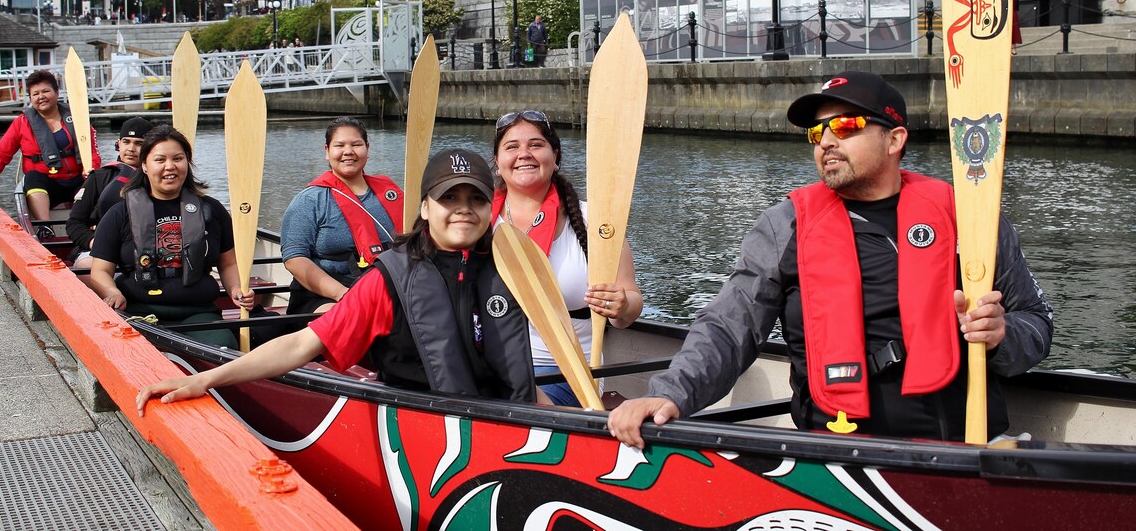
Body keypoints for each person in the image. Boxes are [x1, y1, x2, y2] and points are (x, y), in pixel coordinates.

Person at [608, 71, 1053, 446]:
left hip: (962, 445)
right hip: (837, 454)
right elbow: (729, 326)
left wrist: (1001, 335)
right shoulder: (786, 225)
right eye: (817, 132)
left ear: (895, 138)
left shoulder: (970, 218)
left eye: (845, 127)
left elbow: (1035, 322)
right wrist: (672, 394)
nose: (826, 142)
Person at [135, 147, 536, 414]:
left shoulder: (508, 269)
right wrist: (205, 379)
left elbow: (522, 370)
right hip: (434, 427)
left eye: (476, 200)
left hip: (514, 420)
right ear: (426, 209)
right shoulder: (390, 281)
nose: (463, 210)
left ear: (490, 208)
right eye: (449, 199)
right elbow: (300, 344)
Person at [492, 110, 642, 406]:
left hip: (567, 373)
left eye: (535, 145)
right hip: (493, 363)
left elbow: (632, 305)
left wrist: (621, 305)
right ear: (498, 162)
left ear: (554, 155)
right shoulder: (476, 221)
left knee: (512, 397)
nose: (524, 154)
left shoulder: (596, 224)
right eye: (512, 147)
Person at [88, 125, 255, 349]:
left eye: (178, 158)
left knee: (223, 345)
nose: (170, 167)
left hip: (198, 313)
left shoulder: (212, 210)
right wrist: (111, 293)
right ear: (145, 166)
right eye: (160, 160)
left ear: (188, 162)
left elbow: (228, 263)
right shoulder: (120, 213)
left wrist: (236, 289)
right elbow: (100, 270)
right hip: (138, 312)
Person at [280, 117, 404, 315]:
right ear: (327, 152)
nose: (348, 151)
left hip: (386, 290)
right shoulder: (310, 200)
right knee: (354, 320)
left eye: (356, 144)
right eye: (339, 145)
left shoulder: (391, 194)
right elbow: (294, 259)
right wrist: (344, 295)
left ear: (367, 149)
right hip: (327, 297)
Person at [0, 69, 102, 238]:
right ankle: (45, 227)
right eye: (35, 94)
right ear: (30, 98)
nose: (41, 96)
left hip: (78, 181)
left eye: (46, 91)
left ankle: (92, 227)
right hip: (47, 185)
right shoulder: (22, 123)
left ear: (57, 92)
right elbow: (0, 155)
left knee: (99, 178)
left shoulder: (77, 117)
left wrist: (92, 168)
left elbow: (92, 150)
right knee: (32, 176)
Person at [66, 117, 154, 277]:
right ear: (118, 144)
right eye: (126, 142)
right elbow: (75, 223)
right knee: (88, 267)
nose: (131, 148)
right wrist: (95, 243)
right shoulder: (98, 177)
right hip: (98, 248)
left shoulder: (159, 180)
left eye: (139, 143)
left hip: (145, 249)